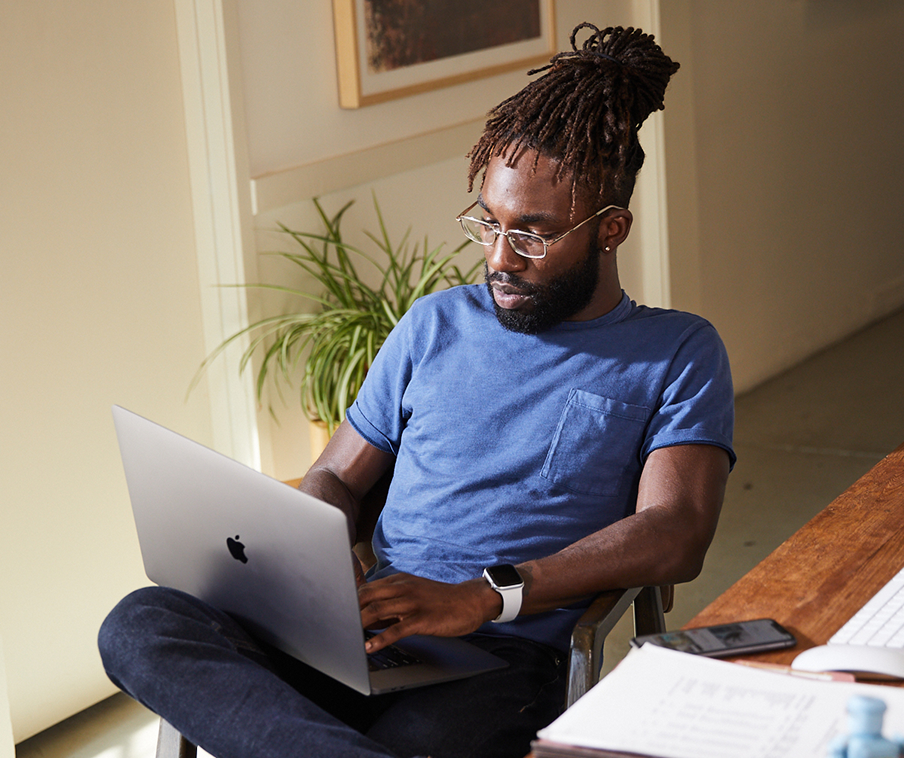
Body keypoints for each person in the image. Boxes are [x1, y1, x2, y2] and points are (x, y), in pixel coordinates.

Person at [98, 23, 734, 758]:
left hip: (499, 653)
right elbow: (337, 473)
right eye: (488, 224)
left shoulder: (677, 351)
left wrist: (482, 595)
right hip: (366, 632)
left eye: (532, 236)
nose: (500, 258)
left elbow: (676, 533)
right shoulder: (434, 325)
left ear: (611, 230)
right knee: (141, 622)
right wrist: (319, 568)